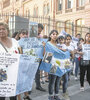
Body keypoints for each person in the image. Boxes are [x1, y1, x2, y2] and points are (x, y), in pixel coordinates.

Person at [0, 22, 19, 100]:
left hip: (14, 73)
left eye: (3, 29)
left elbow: (20, 54)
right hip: (1, 74)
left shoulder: (14, 41)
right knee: (1, 96)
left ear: (7, 30)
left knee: (13, 95)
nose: (1, 31)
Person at [46, 30, 61, 100]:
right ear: (50, 35)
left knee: (58, 80)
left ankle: (56, 94)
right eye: (53, 34)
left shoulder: (58, 44)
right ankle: (50, 95)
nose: (55, 35)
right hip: (52, 65)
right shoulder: (48, 44)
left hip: (58, 64)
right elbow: (46, 55)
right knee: (52, 80)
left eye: (56, 34)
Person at [35, 23, 46, 91]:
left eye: (40, 31)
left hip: (39, 56)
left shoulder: (41, 37)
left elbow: (43, 46)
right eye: (38, 31)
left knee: (38, 72)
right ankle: (28, 89)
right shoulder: (30, 35)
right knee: (30, 72)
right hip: (32, 57)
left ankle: (38, 85)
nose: (39, 32)